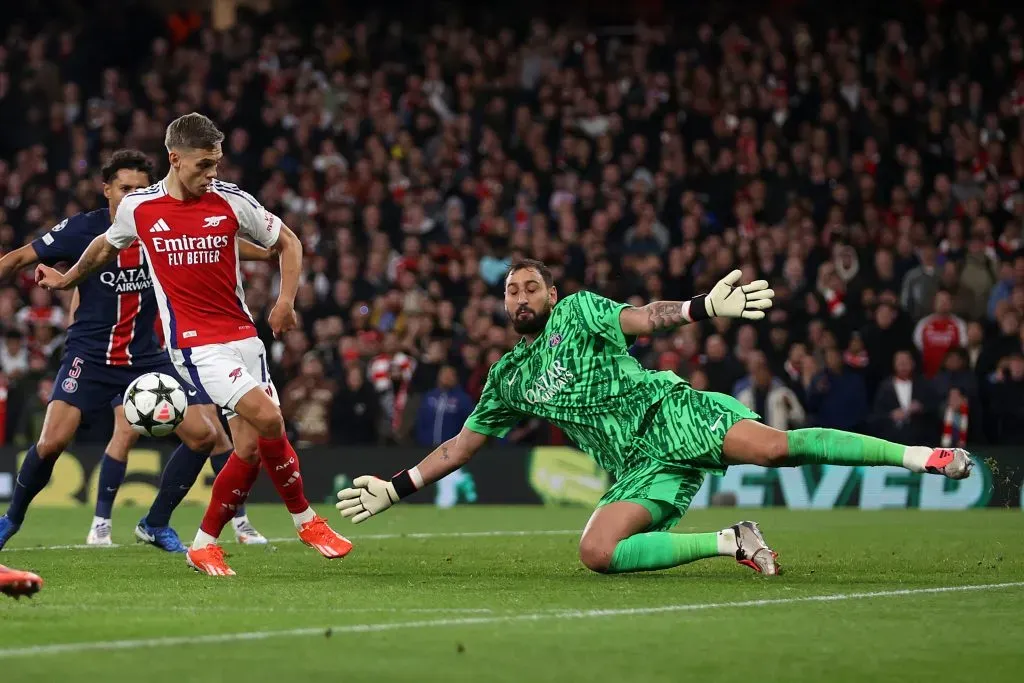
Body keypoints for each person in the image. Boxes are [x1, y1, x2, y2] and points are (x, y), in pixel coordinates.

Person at [337, 259, 973, 576]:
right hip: (636, 467)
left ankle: (922, 458)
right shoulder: (507, 380)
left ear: (551, 295)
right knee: (595, 552)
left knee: (776, 449)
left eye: (531, 286)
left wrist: (701, 306)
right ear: (502, 304)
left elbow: (642, 317)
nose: (521, 296)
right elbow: (458, 448)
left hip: (671, 413)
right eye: (511, 290)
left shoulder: (578, 313)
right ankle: (733, 541)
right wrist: (395, 488)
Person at [37, 114, 352, 576]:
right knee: (269, 418)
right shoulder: (140, 207)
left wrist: (285, 301)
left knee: (246, 449)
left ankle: (204, 544)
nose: (212, 175)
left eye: (217, 164)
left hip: (243, 336)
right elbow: (106, 246)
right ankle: (306, 520)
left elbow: (289, 242)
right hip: (195, 346)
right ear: (175, 158)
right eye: (204, 165)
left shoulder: (231, 201)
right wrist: (68, 280)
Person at [0, 149, 269, 553]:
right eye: (124, 188)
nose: (132, 196)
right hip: (89, 355)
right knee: (52, 442)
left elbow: (221, 242)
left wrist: (270, 250)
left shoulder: (159, 222)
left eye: (141, 188)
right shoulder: (82, 229)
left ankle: (154, 523)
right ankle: (11, 520)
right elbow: (20, 258)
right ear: (106, 190)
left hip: (146, 357)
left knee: (205, 436)